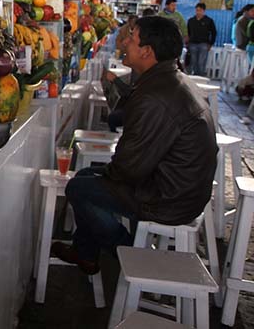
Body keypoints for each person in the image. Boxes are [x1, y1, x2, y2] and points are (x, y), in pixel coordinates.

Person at [53, 16, 217, 274]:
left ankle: (131, 254)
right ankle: (85, 254)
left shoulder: (155, 96)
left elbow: (128, 168)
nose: (125, 42)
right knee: (86, 176)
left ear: (147, 52)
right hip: (181, 188)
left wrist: (108, 176)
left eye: (131, 37)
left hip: (169, 198)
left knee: (78, 187)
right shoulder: (171, 79)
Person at [186, 2, 216, 76]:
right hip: (192, 44)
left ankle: (200, 76)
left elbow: (214, 32)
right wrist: (188, 43)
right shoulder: (191, 21)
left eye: (200, 10)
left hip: (204, 44)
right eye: (197, 10)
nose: (198, 12)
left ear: (204, 11)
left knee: (201, 62)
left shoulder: (209, 21)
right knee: (193, 61)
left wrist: (211, 43)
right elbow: (188, 32)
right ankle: (193, 77)